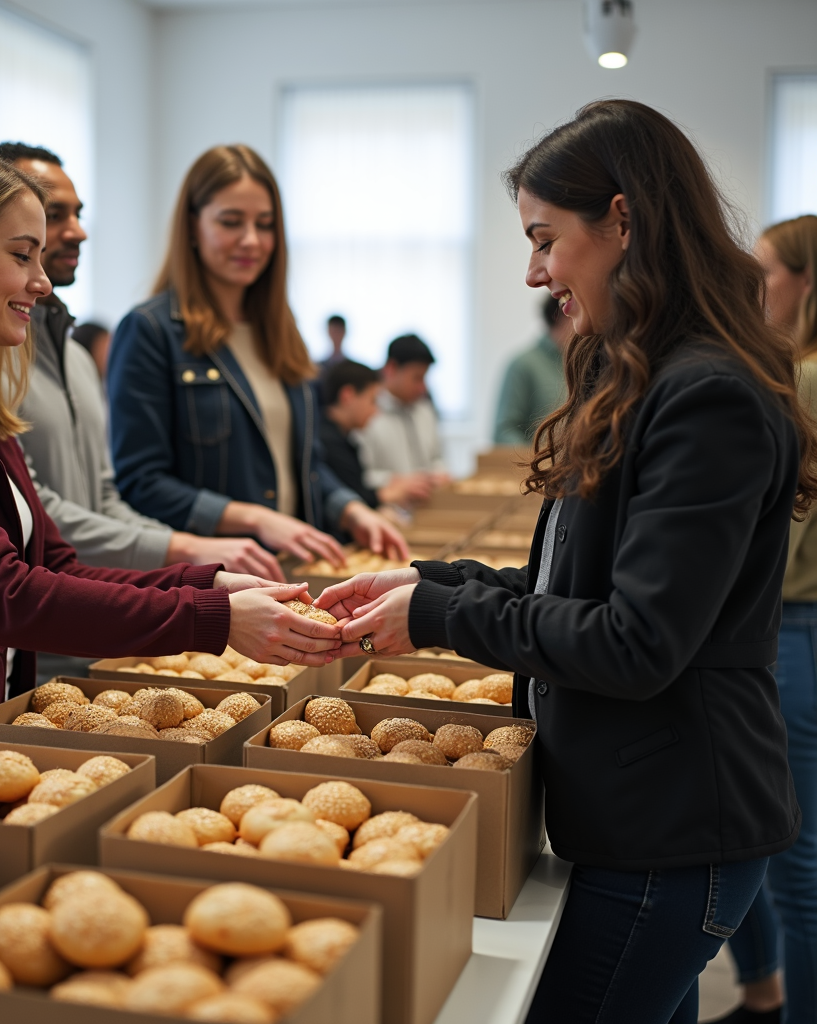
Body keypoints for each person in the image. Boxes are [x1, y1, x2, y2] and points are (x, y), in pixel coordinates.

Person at [316, 100, 809, 1023]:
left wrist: (435, 617)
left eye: (546, 239)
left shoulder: (708, 396)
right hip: (635, 812)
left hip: (676, 827)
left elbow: (635, 640)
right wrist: (428, 583)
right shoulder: (645, 372)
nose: (535, 271)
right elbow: (567, 588)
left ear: (623, 220)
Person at [0, 144, 340, 770]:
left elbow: (56, 565)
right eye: (21, 254)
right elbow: (4, 595)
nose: (42, 280)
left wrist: (208, 582)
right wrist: (212, 617)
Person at [0, 142, 284, 682]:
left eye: (78, 214)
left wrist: (196, 572)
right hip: (34, 648)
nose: (76, 231)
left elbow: (101, 498)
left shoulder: (74, 357)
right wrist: (191, 557)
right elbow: (36, 515)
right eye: (55, 217)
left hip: (97, 632)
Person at [107, 144, 407, 568]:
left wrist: (350, 509)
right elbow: (141, 482)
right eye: (231, 222)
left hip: (290, 568)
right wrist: (255, 519)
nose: (251, 240)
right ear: (192, 225)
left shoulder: (281, 331)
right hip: (210, 580)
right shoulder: (151, 331)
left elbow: (304, 463)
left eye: (264, 225)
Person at [720, 214, 817, 1024]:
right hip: (790, 624)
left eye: (770, 272)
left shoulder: (801, 377)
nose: (758, 289)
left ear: (807, 281)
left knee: (794, 856)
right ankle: (763, 993)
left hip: (793, 626)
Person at [320, 360, 438, 509]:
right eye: (373, 400)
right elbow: (349, 497)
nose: (376, 411)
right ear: (347, 396)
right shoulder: (326, 442)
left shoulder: (343, 438)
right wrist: (388, 492)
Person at [355, 334, 450, 491]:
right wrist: (402, 482)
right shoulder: (368, 414)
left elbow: (437, 458)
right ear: (391, 368)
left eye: (425, 378)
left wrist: (439, 473)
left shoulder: (425, 410)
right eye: (417, 378)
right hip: (386, 508)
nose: (423, 387)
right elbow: (362, 475)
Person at [493, 291, 568, 445]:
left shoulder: (585, 366)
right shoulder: (523, 365)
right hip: (540, 466)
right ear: (558, 315)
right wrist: (537, 461)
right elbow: (504, 432)